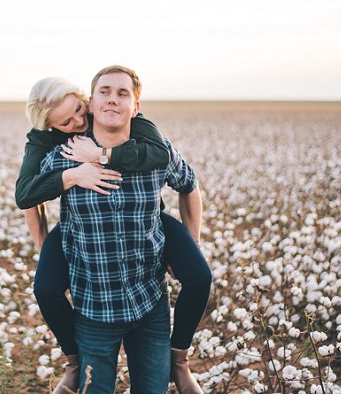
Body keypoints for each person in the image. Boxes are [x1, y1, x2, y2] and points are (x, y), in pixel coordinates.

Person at [16, 72, 210, 393]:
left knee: (199, 277)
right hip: (95, 308)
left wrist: (191, 242)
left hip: (149, 305)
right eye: (104, 91)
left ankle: (179, 360)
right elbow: (28, 196)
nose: (111, 99)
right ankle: (74, 363)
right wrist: (47, 246)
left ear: (135, 106)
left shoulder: (157, 151)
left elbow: (190, 185)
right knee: (46, 288)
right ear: (93, 101)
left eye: (122, 93)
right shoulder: (63, 155)